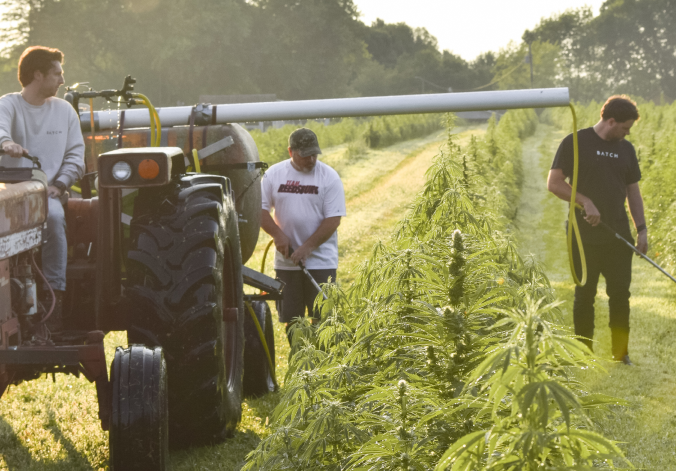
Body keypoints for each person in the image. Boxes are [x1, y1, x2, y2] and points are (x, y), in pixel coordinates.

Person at [547, 95, 645, 365]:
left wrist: (642, 229)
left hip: (618, 235)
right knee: (584, 295)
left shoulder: (626, 149)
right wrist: (584, 201)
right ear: (610, 120)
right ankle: (583, 354)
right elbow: (554, 183)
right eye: (624, 128)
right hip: (583, 236)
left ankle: (620, 353)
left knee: (620, 295)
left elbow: (632, 191)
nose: (626, 133)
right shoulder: (575, 142)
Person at [0, 46, 85, 331]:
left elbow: (75, 156)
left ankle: (54, 298)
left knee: (55, 218)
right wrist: (6, 144)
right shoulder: (9, 105)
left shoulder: (64, 111)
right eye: (57, 73)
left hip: (47, 193)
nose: (62, 80)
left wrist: (59, 185)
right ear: (38, 75)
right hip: (10, 189)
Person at [261, 128, 346, 339]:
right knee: (292, 319)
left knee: (321, 318)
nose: (311, 159)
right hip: (286, 261)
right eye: (305, 155)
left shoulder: (329, 177)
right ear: (291, 152)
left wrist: (307, 248)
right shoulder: (273, 174)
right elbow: (259, 211)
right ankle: (300, 361)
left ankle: (320, 362)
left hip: (320, 261)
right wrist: (278, 235)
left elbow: (333, 219)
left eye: (314, 154)